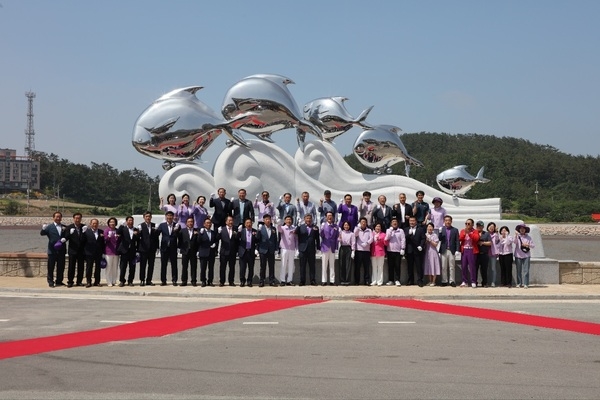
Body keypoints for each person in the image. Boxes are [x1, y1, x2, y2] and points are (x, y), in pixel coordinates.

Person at [40, 211, 67, 288]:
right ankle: (50, 281)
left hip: (61, 250)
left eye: (59, 217)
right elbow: (42, 233)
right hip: (52, 250)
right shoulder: (49, 227)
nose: (58, 218)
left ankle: (59, 281)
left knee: (61, 267)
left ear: (61, 218)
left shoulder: (64, 227)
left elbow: (68, 236)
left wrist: (65, 239)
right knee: (51, 267)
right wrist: (43, 229)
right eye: (56, 217)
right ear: (53, 218)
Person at [295, 214, 320, 286]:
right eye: (307, 218)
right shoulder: (301, 227)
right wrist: (298, 225)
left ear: (311, 219)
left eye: (309, 218)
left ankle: (313, 280)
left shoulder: (315, 227)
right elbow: (296, 232)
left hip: (311, 249)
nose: (308, 220)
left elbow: (317, 238)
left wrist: (318, 247)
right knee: (302, 266)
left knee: (312, 266)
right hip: (303, 249)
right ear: (304, 219)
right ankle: (302, 281)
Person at [81, 218, 105, 288]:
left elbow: (103, 243)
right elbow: (82, 241)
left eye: (96, 223)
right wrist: (83, 233)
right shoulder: (86, 232)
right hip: (89, 253)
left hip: (98, 253)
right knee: (89, 268)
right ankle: (88, 282)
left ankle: (97, 282)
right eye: (93, 223)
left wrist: (103, 252)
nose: (95, 225)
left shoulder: (101, 232)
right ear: (90, 224)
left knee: (98, 268)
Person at [157, 211, 179, 286]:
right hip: (164, 248)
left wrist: (177, 230)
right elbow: (156, 234)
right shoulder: (162, 225)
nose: (169, 217)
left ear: (173, 217)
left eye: (171, 216)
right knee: (163, 264)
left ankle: (174, 280)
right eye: (168, 216)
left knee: (174, 265)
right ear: (166, 217)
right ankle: (163, 280)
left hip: (173, 247)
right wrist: (156, 229)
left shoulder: (176, 225)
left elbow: (180, 236)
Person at [116, 216, 139, 287]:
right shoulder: (123, 229)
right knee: (123, 267)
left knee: (132, 267)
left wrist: (137, 234)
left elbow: (138, 240)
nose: (130, 222)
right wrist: (122, 225)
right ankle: (122, 281)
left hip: (132, 251)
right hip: (124, 251)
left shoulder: (136, 229)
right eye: (129, 220)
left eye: (132, 220)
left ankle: (130, 281)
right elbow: (118, 232)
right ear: (126, 221)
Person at [137, 211, 159, 286]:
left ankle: (149, 280)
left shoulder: (154, 225)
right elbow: (138, 237)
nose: (148, 218)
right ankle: (142, 280)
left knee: (151, 265)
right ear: (144, 217)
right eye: (146, 216)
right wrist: (138, 232)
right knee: (143, 265)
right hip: (143, 249)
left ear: (151, 217)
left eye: (149, 216)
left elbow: (156, 237)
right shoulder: (141, 226)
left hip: (152, 249)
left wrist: (157, 247)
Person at [438, 215, 460, 287]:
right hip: (444, 250)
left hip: (452, 250)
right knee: (443, 266)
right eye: (446, 220)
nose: (447, 222)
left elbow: (457, 240)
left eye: (449, 220)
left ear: (451, 221)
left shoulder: (455, 230)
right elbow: (439, 239)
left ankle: (452, 281)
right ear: (444, 221)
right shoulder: (442, 229)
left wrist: (457, 250)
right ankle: (444, 281)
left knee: (452, 266)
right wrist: (440, 232)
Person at [256, 214, 278, 287]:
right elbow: (257, 239)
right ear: (263, 220)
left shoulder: (273, 229)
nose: (268, 220)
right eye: (266, 219)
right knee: (263, 266)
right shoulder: (261, 228)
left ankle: (271, 280)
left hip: (271, 250)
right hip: (263, 250)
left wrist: (276, 249)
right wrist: (258, 231)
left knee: (271, 266)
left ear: (270, 220)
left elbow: (275, 240)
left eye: (269, 219)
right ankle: (262, 280)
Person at [65, 212, 86, 287]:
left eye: (79, 218)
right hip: (72, 250)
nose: (77, 220)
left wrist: (84, 232)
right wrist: (69, 234)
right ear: (73, 219)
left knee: (81, 267)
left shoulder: (84, 227)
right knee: (71, 267)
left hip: (81, 251)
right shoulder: (69, 227)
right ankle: (70, 281)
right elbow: (65, 238)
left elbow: (86, 239)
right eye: (76, 218)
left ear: (81, 219)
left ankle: (79, 281)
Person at [404, 216, 426, 287]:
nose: (412, 222)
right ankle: (410, 280)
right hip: (409, 250)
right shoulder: (406, 229)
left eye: (413, 221)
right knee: (410, 266)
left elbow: (423, 238)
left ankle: (420, 280)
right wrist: (408, 235)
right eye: (410, 221)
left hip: (418, 250)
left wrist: (421, 246)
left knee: (419, 266)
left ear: (416, 221)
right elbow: (404, 239)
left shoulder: (421, 229)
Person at [217, 215, 238, 287]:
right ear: (226, 222)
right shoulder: (222, 229)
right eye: (229, 220)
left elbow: (238, 240)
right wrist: (219, 233)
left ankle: (231, 281)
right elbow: (217, 238)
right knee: (222, 267)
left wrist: (239, 233)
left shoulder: (235, 229)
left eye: (232, 220)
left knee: (232, 268)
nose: (231, 222)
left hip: (232, 252)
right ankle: (222, 281)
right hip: (224, 252)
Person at [178, 216, 199, 287]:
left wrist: (197, 235)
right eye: (189, 222)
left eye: (192, 222)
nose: (190, 223)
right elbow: (180, 240)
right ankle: (184, 280)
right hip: (185, 251)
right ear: (186, 223)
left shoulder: (197, 230)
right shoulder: (182, 231)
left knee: (193, 267)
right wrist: (180, 249)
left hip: (193, 252)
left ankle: (193, 280)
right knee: (184, 267)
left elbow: (198, 242)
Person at [384, 217, 405, 286]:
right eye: (393, 222)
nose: (394, 223)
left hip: (398, 251)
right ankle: (391, 280)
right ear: (391, 223)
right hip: (390, 251)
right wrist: (390, 231)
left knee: (397, 266)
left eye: (395, 222)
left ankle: (397, 280)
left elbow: (403, 240)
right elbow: (386, 238)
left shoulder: (401, 230)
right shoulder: (388, 230)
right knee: (390, 266)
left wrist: (403, 248)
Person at [277, 215, 297, 286]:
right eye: (287, 219)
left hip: (292, 248)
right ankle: (282, 280)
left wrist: (296, 248)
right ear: (285, 221)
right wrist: (279, 223)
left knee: (291, 265)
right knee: (283, 264)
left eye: (290, 220)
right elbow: (279, 229)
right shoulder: (283, 227)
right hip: (284, 248)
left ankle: (289, 280)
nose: (289, 221)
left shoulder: (294, 228)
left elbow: (296, 239)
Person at [459, 219, 480, 288]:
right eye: (466, 223)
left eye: (469, 224)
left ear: (472, 224)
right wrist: (465, 233)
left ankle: (473, 281)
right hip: (464, 250)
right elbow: (460, 238)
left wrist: (470, 234)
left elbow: (476, 239)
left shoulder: (475, 231)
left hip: (472, 250)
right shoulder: (463, 231)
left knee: (472, 266)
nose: (467, 225)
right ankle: (464, 281)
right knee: (464, 266)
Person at [320, 211, 339, 286]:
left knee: (332, 265)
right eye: (328, 216)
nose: (329, 217)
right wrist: (321, 229)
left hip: (333, 247)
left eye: (331, 216)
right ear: (325, 217)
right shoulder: (323, 225)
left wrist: (336, 247)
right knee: (324, 264)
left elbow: (337, 237)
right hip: (325, 247)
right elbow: (321, 235)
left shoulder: (336, 226)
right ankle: (324, 280)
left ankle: (332, 280)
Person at [238, 217, 258, 287]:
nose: (249, 224)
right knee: (242, 268)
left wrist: (256, 249)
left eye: (250, 223)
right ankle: (242, 281)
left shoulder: (255, 231)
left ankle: (249, 281)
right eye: (247, 223)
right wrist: (239, 232)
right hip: (243, 252)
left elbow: (258, 241)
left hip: (251, 252)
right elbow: (236, 238)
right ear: (245, 224)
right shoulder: (242, 231)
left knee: (251, 268)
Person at [353, 217, 373, 286]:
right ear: (360, 223)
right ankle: (356, 281)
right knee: (357, 267)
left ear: (366, 223)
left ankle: (366, 281)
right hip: (358, 250)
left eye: (364, 222)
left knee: (366, 267)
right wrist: (358, 228)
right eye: (362, 222)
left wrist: (367, 243)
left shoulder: (369, 230)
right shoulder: (357, 229)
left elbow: (371, 239)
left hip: (366, 251)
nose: (363, 223)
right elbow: (354, 235)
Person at [198, 218, 217, 287]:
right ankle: (203, 281)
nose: (208, 224)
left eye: (210, 223)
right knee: (203, 268)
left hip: (211, 253)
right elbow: (198, 241)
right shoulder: (201, 232)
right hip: (203, 252)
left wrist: (215, 244)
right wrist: (200, 234)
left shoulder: (213, 232)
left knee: (211, 268)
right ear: (204, 224)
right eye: (207, 223)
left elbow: (216, 240)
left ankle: (210, 281)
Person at [514, 223, 534, 288]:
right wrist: (515, 236)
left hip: (526, 255)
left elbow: (533, 245)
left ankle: (526, 283)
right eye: (521, 229)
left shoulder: (528, 237)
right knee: (518, 270)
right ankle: (519, 283)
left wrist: (527, 245)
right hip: (518, 255)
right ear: (519, 230)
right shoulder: (517, 236)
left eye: (523, 229)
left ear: (525, 230)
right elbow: (514, 242)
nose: (522, 230)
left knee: (526, 270)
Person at [338, 221, 355, 286]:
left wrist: (353, 251)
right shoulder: (341, 232)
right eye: (345, 225)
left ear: (349, 226)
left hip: (348, 248)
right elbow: (338, 240)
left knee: (348, 265)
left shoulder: (351, 234)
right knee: (341, 264)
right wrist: (339, 239)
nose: (346, 226)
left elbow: (353, 242)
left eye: (347, 225)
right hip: (342, 248)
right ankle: (342, 280)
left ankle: (347, 280)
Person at [103, 217, 119, 287]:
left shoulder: (117, 230)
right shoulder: (106, 230)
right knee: (109, 267)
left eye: (113, 222)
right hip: (109, 251)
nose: (112, 223)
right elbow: (105, 240)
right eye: (111, 222)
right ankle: (108, 281)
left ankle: (114, 280)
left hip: (116, 251)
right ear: (108, 223)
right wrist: (108, 236)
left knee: (115, 267)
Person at [476, 220, 492, 287]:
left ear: (483, 226)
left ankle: (484, 282)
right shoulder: (474, 233)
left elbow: (490, 243)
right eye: (478, 226)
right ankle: (475, 281)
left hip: (484, 254)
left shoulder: (487, 234)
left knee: (484, 269)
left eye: (481, 226)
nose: (479, 227)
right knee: (475, 269)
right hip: (476, 254)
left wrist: (482, 243)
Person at [487, 222, 500, 287]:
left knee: (493, 268)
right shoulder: (485, 234)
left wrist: (497, 232)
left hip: (493, 253)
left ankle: (493, 282)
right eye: (490, 226)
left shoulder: (496, 235)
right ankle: (486, 282)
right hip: (486, 253)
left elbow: (497, 240)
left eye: (493, 227)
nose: (491, 228)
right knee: (486, 268)